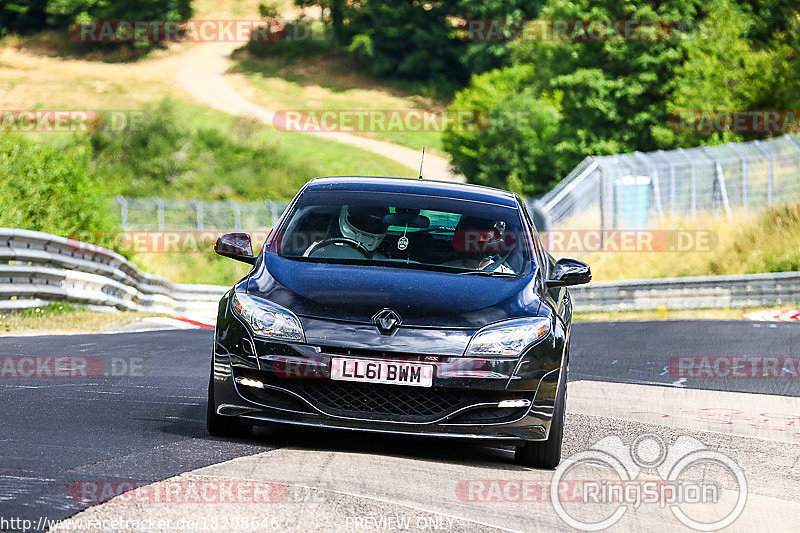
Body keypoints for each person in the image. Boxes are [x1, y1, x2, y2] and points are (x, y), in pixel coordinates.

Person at [447, 215, 514, 273]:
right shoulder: (445, 270)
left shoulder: (507, 275)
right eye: (473, 237)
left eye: (486, 237)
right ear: (462, 240)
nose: (480, 240)